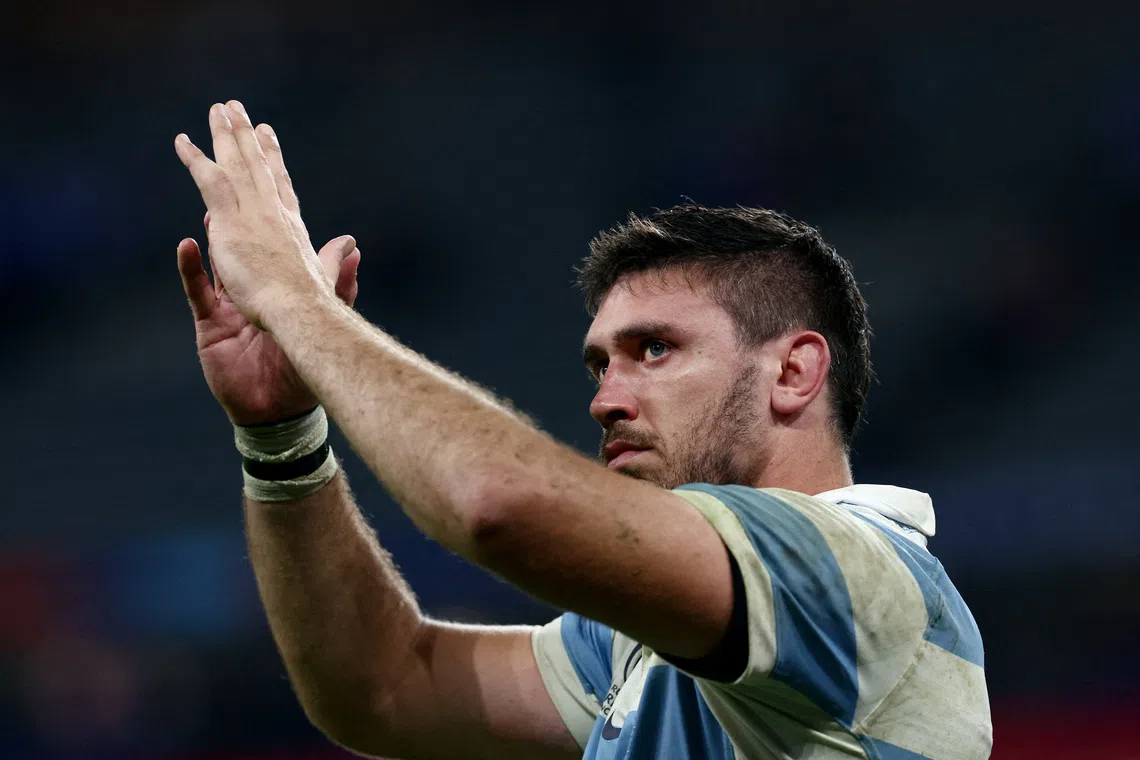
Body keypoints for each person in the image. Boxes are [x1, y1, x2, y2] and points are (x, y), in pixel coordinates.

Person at [173, 100, 992, 760]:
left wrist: (297, 304)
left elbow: (497, 503)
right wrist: (283, 436)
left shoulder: (850, 574)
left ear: (793, 372)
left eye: (656, 350)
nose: (605, 400)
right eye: (601, 364)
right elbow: (383, 692)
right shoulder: (647, 639)